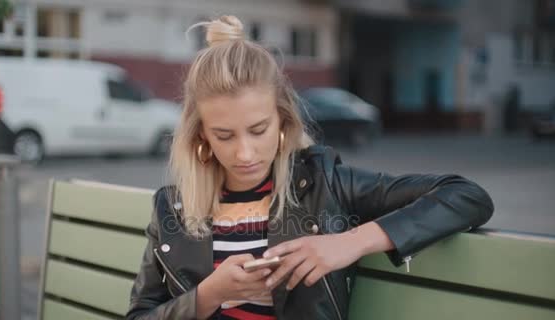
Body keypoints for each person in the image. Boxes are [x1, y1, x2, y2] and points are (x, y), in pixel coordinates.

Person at [126, 15, 494, 320]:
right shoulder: (172, 208)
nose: (244, 153)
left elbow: (466, 195)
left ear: (283, 122)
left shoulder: (323, 183)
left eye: (259, 130)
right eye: (224, 136)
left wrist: (348, 243)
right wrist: (207, 296)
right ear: (202, 136)